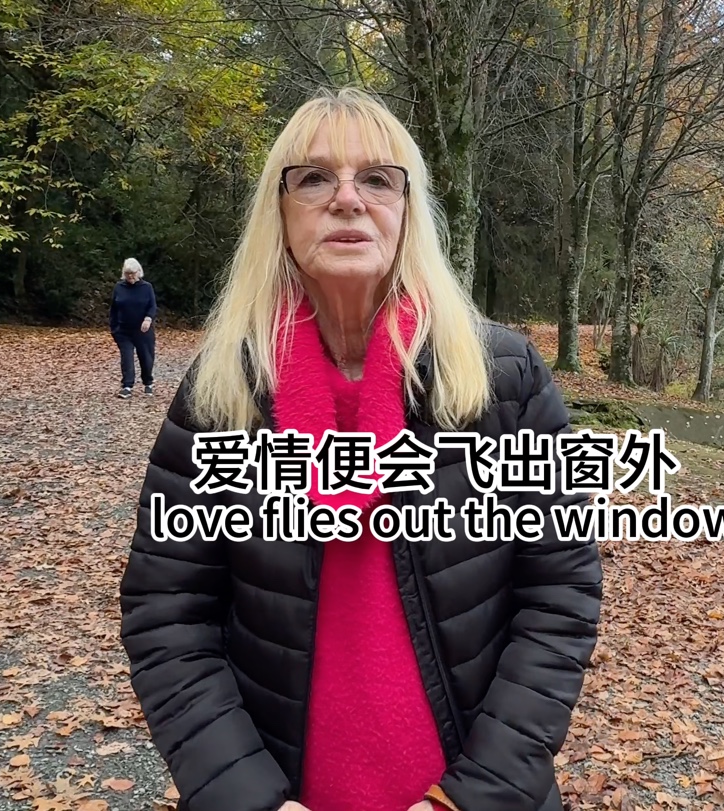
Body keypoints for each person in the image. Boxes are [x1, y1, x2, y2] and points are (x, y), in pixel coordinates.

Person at [118, 86, 603, 811]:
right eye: (315, 177)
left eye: (377, 178)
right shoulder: (223, 393)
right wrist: (248, 798)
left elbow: (560, 593)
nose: (347, 198)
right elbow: (167, 609)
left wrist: (472, 797)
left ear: (408, 211)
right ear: (279, 213)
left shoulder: (504, 379)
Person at [109, 257, 157, 398]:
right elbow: (113, 309)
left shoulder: (146, 287)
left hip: (143, 330)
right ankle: (127, 386)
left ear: (138, 272)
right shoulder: (119, 287)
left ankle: (148, 382)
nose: (130, 276)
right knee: (127, 358)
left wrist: (148, 318)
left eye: (133, 273)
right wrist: (114, 328)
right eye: (127, 273)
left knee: (146, 358)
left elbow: (152, 306)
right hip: (123, 330)